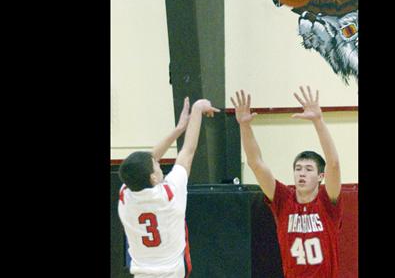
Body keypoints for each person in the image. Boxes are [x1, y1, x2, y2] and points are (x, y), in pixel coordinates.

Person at [230, 86, 342, 278]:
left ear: (320, 177)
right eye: (298, 169)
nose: (302, 174)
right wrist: (244, 126)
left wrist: (318, 121)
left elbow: (333, 163)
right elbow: (255, 163)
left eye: (308, 169)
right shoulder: (283, 199)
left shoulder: (327, 201)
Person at [118, 97, 220, 278]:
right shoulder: (169, 194)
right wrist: (197, 110)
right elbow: (188, 150)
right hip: (172, 273)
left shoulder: (125, 196)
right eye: (156, 165)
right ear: (152, 177)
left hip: (141, 273)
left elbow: (144, 163)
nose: (158, 163)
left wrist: (179, 128)